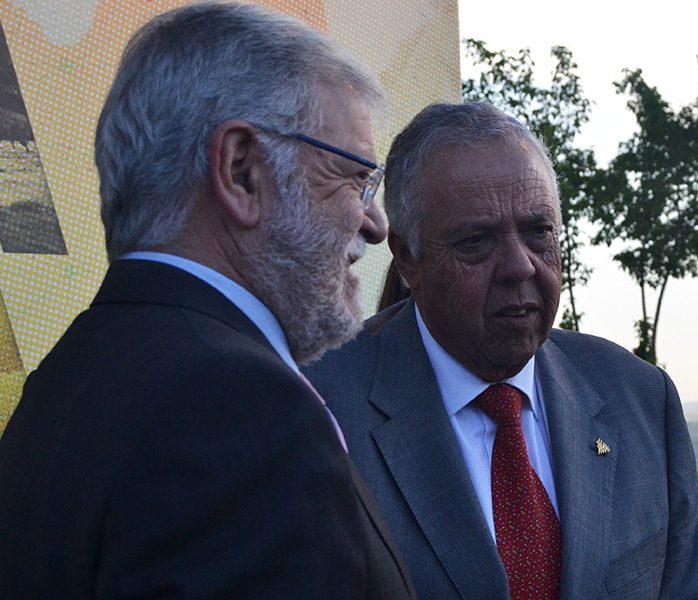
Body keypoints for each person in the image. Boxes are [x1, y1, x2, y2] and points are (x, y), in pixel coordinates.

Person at [0, 3, 415, 598]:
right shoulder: (240, 407)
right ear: (243, 170)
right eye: (353, 177)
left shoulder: (68, 378)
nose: (375, 223)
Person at [305, 102, 698, 600]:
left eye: (539, 232)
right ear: (408, 258)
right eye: (477, 241)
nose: (521, 267)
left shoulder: (642, 398)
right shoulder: (316, 412)